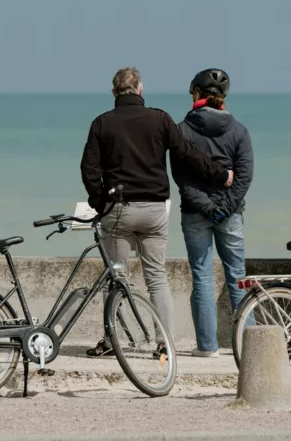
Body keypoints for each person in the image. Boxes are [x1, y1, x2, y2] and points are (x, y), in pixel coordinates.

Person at [80, 67, 233, 358]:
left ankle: (113, 341)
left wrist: (100, 203)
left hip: (119, 209)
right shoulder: (160, 119)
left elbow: (89, 169)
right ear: (140, 90)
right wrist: (221, 174)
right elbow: (188, 155)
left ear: (114, 93)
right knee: (156, 277)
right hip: (153, 210)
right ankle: (165, 344)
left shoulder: (102, 123)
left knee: (116, 276)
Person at [170, 68, 254, 358]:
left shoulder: (181, 130)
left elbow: (182, 179)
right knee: (238, 276)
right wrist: (224, 209)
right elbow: (244, 177)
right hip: (230, 214)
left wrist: (208, 208)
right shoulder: (239, 130)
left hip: (195, 213)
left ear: (196, 93)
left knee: (202, 276)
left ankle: (207, 347)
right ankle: (249, 345)